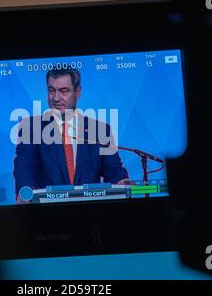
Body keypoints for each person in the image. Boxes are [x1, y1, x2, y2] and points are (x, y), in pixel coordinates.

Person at [13, 67, 132, 202]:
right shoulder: (31, 128)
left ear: (78, 92)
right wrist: (24, 195)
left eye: (64, 91)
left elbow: (113, 171)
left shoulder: (99, 130)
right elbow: (25, 170)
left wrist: (122, 182)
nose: (56, 98)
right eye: (51, 90)